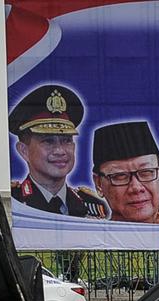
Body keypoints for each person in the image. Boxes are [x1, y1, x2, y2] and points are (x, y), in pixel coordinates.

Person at [8, 84, 108, 218]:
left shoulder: (92, 206)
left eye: (66, 140)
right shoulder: (15, 201)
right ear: (24, 150)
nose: (60, 151)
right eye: (48, 141)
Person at [92, 121, 159, 224]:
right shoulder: (90, 236)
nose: (136, 188)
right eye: (120, 176)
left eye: (146, 172)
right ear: (99, 184)